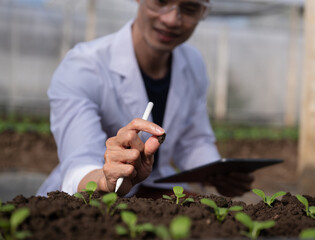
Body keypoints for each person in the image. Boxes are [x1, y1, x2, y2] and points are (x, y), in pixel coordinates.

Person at [37, 0, 253, 198]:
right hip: (87, 202)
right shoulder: (83, 66)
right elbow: (79, 162)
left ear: (203, 12)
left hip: (152, 194)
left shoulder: (193, 62)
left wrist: (217, 171)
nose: (171, 20)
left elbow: (192, 141)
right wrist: (107, 179)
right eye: (161, 1)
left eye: (189, 8)